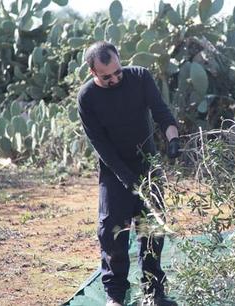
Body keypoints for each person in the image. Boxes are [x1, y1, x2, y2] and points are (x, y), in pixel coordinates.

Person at [77, 41, 180, 306]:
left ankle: (154, 292)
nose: (115, 79)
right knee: (112, 230)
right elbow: (101, 146)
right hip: (114, 170)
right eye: (106, 76)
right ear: (93, 72)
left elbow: (162, 114)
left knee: (152, 231)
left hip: (147, 166)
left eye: (118, 72)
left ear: (121, 61)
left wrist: (172, 139)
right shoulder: (87, 97)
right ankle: (115, 296)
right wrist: (127, 179)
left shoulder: (139, 78)